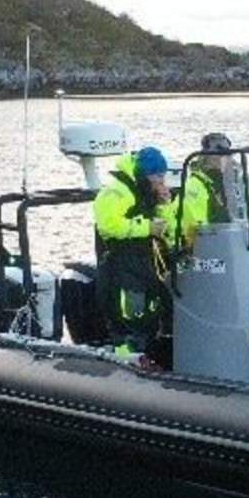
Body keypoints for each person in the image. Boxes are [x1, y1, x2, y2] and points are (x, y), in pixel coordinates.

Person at [93, 145, 176, 357]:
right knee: (129, 316)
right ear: (144, 174)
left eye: (163, 175)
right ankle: (126, 357)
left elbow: (168, 228)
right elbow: (108, 226)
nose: (161, 181)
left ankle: (148, 353)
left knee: (150, 313)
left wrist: (165, 204)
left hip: (145, 263)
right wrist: (147, 227)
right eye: (157, 175)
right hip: (121, 264)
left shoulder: (147, 192)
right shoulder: (117, 191)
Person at [170, 132, 234, 252]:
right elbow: (197, 227)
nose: (221, 160)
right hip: (208, 248)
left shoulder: (236, 184)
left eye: (225, 156)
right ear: (205, 157)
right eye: (217, 156)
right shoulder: (195, 186)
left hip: (236, 243)